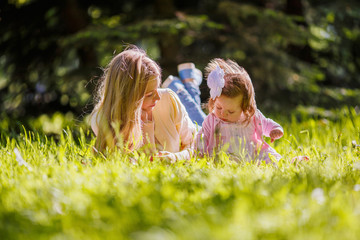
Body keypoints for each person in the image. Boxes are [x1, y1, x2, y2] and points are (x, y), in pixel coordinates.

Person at [90, 45, 197, 162]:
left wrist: (175, 157)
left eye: (157, 88)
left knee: (203, 114)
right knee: (193, 104)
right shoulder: (102, 119)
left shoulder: (167, 99)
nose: (157, 97)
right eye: (149, 94)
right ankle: (188, 81)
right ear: (127, 98)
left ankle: (188, 83)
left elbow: (197, 145)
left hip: (205, 127)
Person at [195, 58, 284, 163]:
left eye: (231, 111)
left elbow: (266, 123)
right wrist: (200, 151)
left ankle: (292, 162)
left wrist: (274, 129)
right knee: (222, 162)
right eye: (219, 107)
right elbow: (202, 137)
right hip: (223, 155)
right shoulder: (212, 120)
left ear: (245, 108)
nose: (223, 113)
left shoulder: (251, 117)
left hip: (253, 153)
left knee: (271, 159)